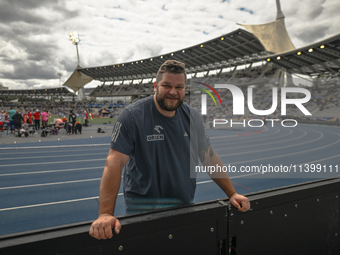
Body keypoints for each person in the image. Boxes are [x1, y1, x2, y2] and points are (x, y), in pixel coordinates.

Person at [89, 60, 250, 240]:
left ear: (184, 89)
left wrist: (232, 193)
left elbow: (208, 157)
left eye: (179, 87)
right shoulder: (132, 115)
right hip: (142, 211)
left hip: (183, 207)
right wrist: (105, 213)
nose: (173, 92)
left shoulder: (193, 117)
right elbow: (114, 162)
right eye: (167, 85)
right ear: (155, 86)